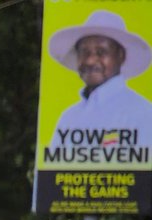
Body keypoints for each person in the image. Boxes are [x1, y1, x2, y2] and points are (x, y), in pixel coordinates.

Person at [50, 10, 152, 145]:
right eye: (84, 52)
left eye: (101, 52)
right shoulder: (69, 117)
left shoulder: (142, 113)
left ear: (120, 56)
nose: (90, 61)